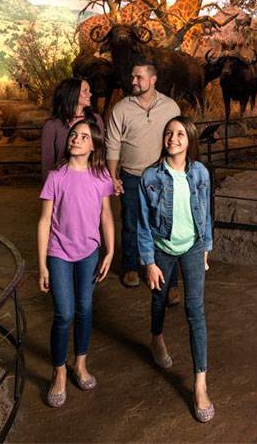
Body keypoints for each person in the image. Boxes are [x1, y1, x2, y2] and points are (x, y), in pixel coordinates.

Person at [138, 116, 215, 422]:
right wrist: (149, 261)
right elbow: (142, 223)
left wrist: (206, 246)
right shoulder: (150, 177)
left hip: (194, 246)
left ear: (190, 139)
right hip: (162, 249)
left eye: (180, 133)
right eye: (169, 133)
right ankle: (156, 337)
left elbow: (206, 211)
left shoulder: (200, 173)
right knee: (158, 299)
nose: (173, 138)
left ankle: (200, 383)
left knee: (195, 311)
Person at [37, 119, 116, 408]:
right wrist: (43, 264)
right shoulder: (56, 175)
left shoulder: (100, 175)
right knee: (64, 314)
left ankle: (80, 363)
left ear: (93, 144)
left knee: (84, 308)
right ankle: (58, 371)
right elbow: (45, 220)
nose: (76, 139)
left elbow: (106, 215)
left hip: (89, 252)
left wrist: (110, 251)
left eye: (83, 136)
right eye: (74, 134)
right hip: (58, 252)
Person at [105, 59, 182, 302]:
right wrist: (113, 175)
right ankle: (130, 268)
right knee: (130, 224)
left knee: (166, 226)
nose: (134, 81)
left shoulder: (170, 107)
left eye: (139, 77)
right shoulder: (121, 108)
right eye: (132, 77)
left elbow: (179, 140)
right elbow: (113, 144)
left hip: (162, 176)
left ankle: (169, 281)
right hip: (131, 176)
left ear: (153, 79)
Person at [41, 78, 105, 173]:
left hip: (90, 180)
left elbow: (100, 153)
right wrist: (50, 186)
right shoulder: (52, 125)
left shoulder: (96, 120)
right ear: (71, 94)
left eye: (89, 90)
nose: (90, 94)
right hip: (62, 182)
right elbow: (47, 162)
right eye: (85, 91)